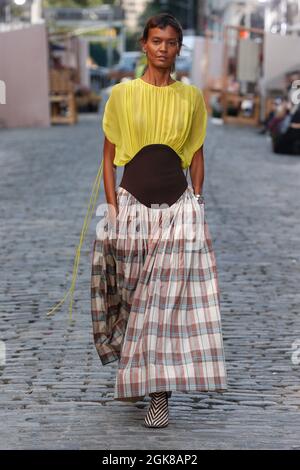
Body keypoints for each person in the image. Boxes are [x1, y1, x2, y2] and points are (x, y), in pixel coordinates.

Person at [90, 13, 228, 429]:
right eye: (156, 40)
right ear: (144, 44)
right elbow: (109, 156)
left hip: (177, 209)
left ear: (178, 48)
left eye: (170, 42)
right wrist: (113, 209)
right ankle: (135, 370)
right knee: (134, 298)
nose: (163, 48)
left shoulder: (191, 99)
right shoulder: (122, 95)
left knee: (163, 306)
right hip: (131, 208)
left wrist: (197, 201)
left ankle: (158, 396)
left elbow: (197, 154)